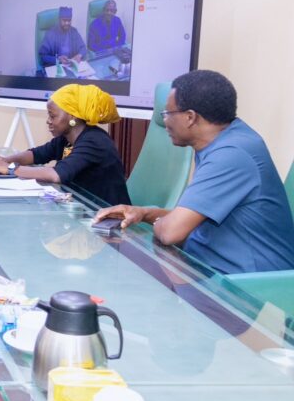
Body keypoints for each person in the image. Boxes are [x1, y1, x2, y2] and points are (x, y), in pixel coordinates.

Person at [94, 70, 294, 275]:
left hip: (245, 284)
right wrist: (143, 213)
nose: (165, 122)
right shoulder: (222, 141)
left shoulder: (231, 154)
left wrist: (161, 223)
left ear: (190, 117)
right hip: (209, 266)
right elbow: (187, 218)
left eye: (167, 114)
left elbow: (171, 232)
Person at [0, 84, 131, 205]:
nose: (48, 121)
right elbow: (36, 154)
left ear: (72, 116)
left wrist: (10, 168)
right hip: (83, 209)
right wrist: (4, 160)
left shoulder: (94, 141)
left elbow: (56, 175)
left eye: (52, 116)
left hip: (109, 219)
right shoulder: (67, 137)